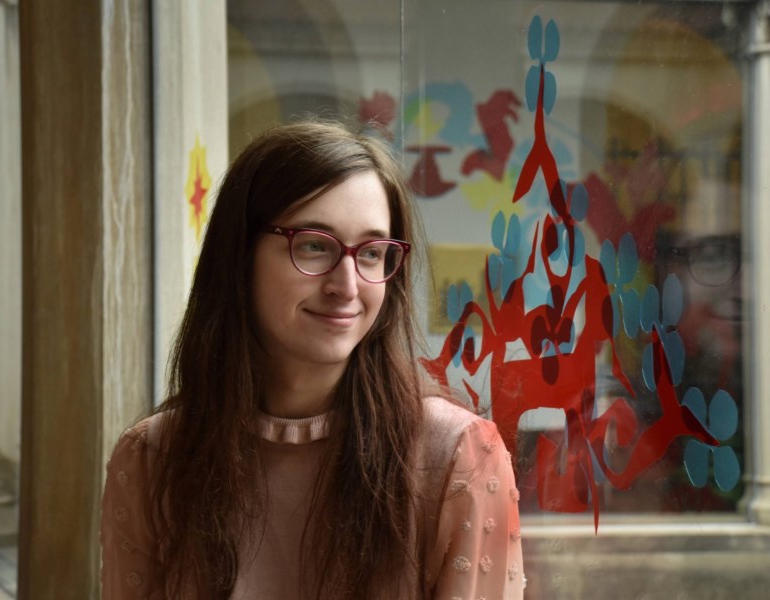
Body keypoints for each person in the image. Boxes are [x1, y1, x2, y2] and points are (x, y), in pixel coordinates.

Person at [100, 120, 525, 599]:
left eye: (372, 253)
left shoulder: (458, 458)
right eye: (314, 245)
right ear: (238, 256)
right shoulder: (152, 459)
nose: (346, 286)